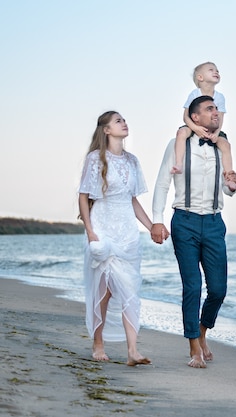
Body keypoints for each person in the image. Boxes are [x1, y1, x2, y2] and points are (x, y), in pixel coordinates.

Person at [151, 95, 236, 368]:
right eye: (210, 109)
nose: (216, 113)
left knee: (218, 290)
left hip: (214, 222)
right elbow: (163, 183)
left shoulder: (221, 147)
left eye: (217, 108)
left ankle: (202, 331)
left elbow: (224, 187)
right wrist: (157, 220)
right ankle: (194, 349)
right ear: (195, 116)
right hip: (184, 221)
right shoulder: (177, 146)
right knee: (192, 286)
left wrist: (231, 185)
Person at [78, 111, 153, 367]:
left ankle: (133, 350)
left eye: (124, 120)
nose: (124, 123)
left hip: (127, 232)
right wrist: (90, 231)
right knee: (105, 290)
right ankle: (98, 342)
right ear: (107, 130)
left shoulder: (133, 161)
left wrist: (152, 226)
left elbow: (133, 200)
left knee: (130, 287)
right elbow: (83, 196)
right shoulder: (95, 159)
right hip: (103, 227)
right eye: (118, 120)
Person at [170, 61, 236, 192]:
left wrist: (216, 133)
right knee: (181, 134)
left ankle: (229, 177)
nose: (216, 72)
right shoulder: (195, 94)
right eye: (211, 70)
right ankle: (179, 163)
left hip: (214, 128)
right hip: (193, 125)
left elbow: (220, 117)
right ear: (200, 77)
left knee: (225, 145)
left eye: (217, 70)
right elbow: (186, 116)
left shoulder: (220, 97)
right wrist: (195, 128)